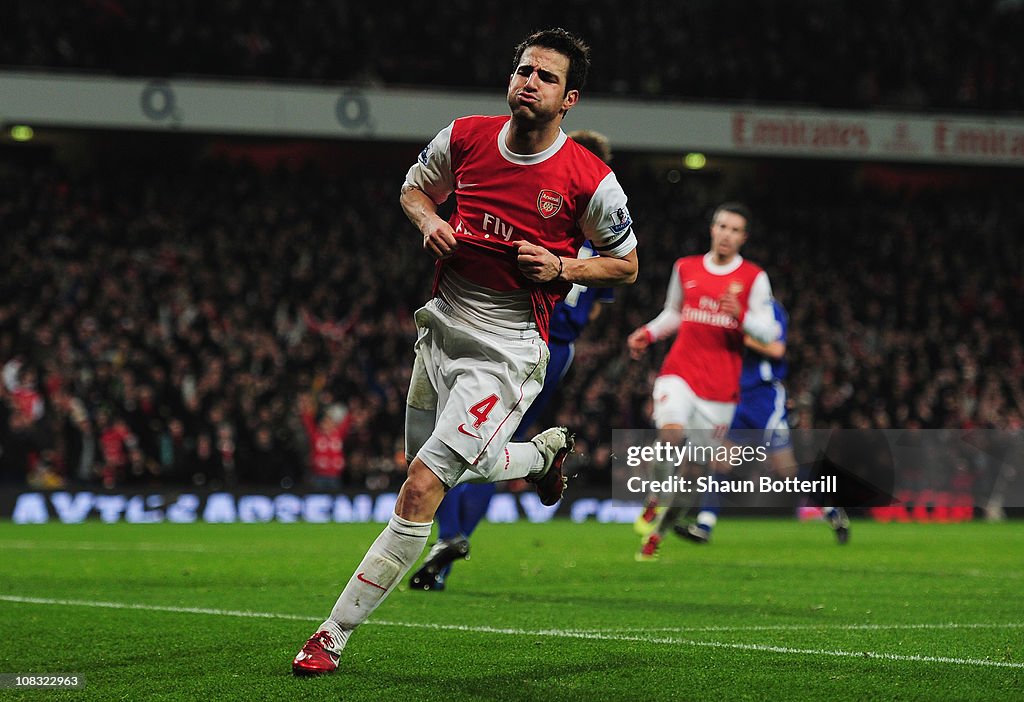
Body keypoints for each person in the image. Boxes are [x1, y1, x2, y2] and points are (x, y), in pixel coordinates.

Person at [292, 29, 639, 676]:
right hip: (439, 328)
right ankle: (539, 455)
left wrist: (562, 265)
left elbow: (626, 266)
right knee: (417, 464)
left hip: (507, 349)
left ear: (569, 99)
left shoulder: (591, 180)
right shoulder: (465, 137)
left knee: (423, 486)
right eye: (523, 69)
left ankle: (330, 636)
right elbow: (413, 189)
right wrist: (429, 221)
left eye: (545, 76)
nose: (528, 81)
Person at [408, 130, 616, 591]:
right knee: (484, 441)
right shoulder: (595, 244)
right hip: (550, 349)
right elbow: (601, 301)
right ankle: (455, 537)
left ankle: (451, 535)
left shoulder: (550, 220)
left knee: (467, 439)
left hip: (520, 339)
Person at [626, 202, 779, 561]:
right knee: (670, 432)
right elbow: (674, 313)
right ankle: (654, 495)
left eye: (734, 229)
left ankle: (657, 536)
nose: (726, 234)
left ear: (744, 237)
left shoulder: (754, 278)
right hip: (680, 371)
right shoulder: (686, 267)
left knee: (694, 475)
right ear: (712, 229)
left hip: (720, 391)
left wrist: (739, 315)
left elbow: (770, 332)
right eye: (721, 226)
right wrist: (648, 333)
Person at [672, 299, 850, 545]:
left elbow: (777, 349)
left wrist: (739, 335)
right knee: (719, 462)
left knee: (785, 470)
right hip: (737, 397)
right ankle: (704, 526)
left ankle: (832, 510)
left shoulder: (770, 310)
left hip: (765, 399)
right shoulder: (731, 309)